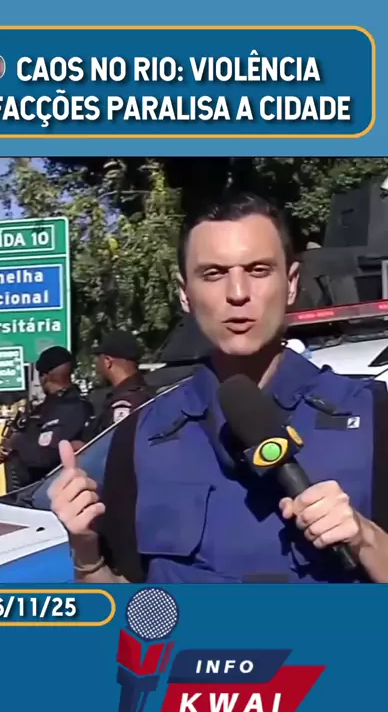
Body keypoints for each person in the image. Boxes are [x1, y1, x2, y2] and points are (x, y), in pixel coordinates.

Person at [49, 193, 388, 584]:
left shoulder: (373, 416)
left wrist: (366, 538)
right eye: (213, 273)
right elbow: (122, 608)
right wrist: (86, 553)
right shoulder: (138, 437)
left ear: (291, 282)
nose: (238, 293)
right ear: (184, 293)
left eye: (258, 270)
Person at [0, 346, 92, 490]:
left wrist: (16, 442)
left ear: (45, 376)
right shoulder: (43, 408)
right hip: (26, 490)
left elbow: (45, 456)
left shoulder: (71, 407)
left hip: (50, 491)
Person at [82, 330, 156, 442]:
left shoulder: (124, 402)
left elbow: (116, 445)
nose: (96, 366)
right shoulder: (147, 393)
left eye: (98, 359)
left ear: (107, 361)